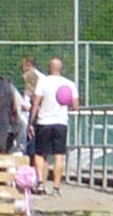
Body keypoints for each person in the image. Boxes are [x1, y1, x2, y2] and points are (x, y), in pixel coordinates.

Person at [31, 56, 79, 193]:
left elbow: (36, 103)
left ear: (49, 68)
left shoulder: (43, 82)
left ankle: (41, 182)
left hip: (44, 122)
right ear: (61, 69)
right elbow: (75, 106)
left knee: (40, 154)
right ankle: (56, 187)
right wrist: (66, 104)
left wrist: (31, 122)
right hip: (61, 122)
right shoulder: (69, 84)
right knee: (59, 155)